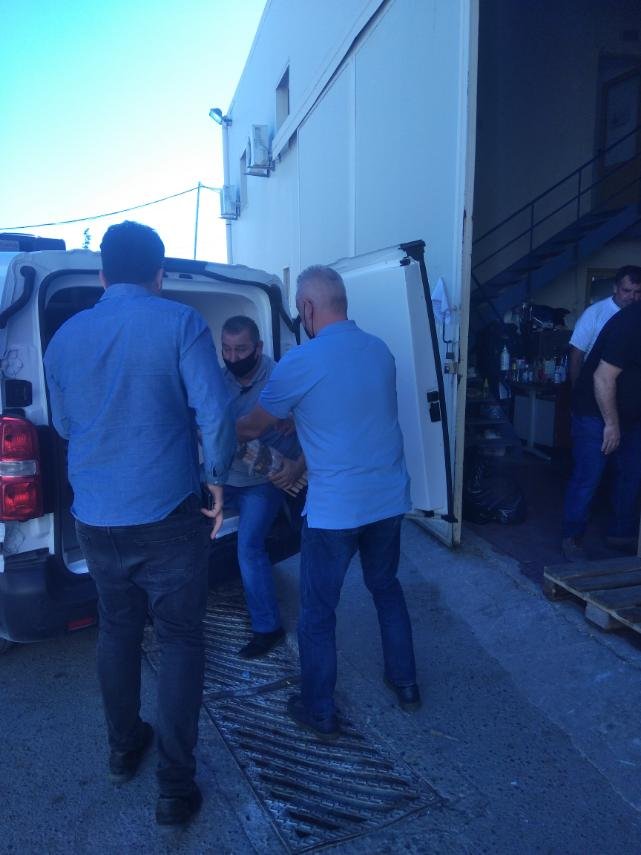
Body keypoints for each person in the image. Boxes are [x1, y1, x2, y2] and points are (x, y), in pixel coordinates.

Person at [44, 221, 235, 826]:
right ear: (160, 275)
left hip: (95, 519)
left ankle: (124, 749)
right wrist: (217, 479)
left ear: (102, 276)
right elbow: (216, 413)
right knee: (179, 640)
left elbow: (65, 426)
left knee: (117, 630)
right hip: (168, 516)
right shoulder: (179, 322)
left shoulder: (64, 338)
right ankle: (175, 789)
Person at [237, 265, 420, 741]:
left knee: (318, 612)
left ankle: (318, 710)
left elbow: (253, 426)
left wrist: (210, 430)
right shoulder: (379, 350)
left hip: (336, 510)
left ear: (306, 308)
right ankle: (405, 682)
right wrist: (299, 420)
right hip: (388, 499)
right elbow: (352, 413)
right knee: (386, 588)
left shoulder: (302, 360)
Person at [221, 315, 304, 658]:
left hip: (263, 481)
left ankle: (267, 628)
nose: (233, 357)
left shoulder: (280, 378)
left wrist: (296, 451)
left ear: (258, 347)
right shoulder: (219, 378)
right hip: (223, 475)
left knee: (249, 547)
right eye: (226, 349)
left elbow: (314, 425)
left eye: (241, 349)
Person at [562, 299, 641, 561]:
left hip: (630, 414)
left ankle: (622, 534)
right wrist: (612, 425)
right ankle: (572, 537)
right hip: (595, 412)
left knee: (631, 474)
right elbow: (602, 377)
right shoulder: (631, 324)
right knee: (589, 476)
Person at [567, 265, 641, 385]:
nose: (632, 297)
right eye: (626, 291)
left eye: (638, 292)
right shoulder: (594, 313)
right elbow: (576, 356)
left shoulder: (638, 314)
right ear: (615, 288)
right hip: (595, 384)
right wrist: (576, 389)